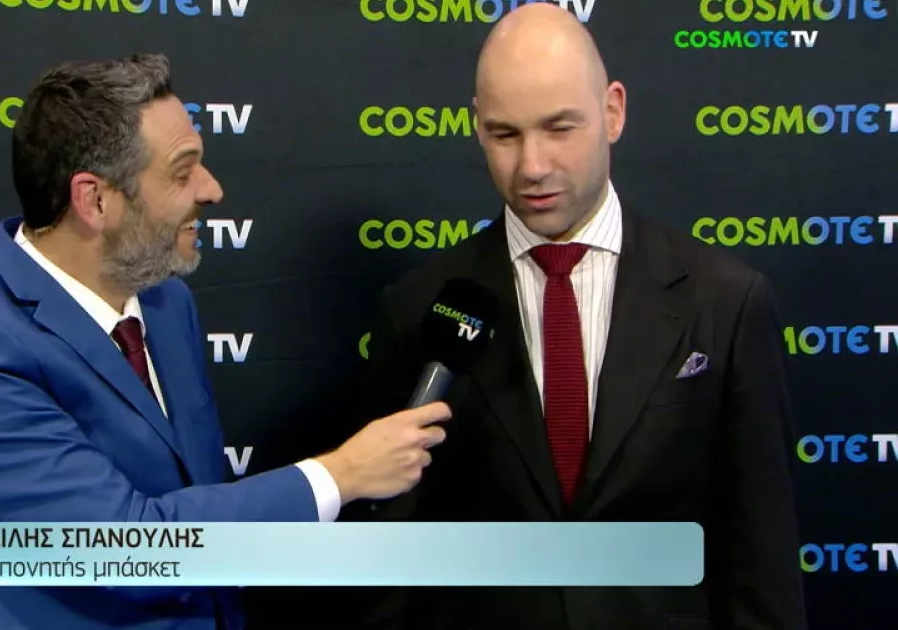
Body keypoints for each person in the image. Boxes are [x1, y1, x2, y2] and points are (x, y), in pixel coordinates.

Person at [0, 54, 451, 630]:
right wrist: (340, 475)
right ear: (95, 200)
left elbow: (193, 497)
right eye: (182, 173)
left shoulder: (164, 301)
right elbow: (116, 552)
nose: (212, 189)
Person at [346, 4, 807, 629]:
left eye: (559, 128)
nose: (532, 166)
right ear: (477, 126)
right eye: (505, 135)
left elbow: (761, 558)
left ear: (613, 112)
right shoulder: (418, 310)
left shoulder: (724, 301)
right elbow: (393, 564)